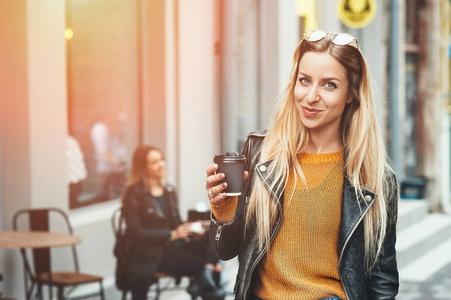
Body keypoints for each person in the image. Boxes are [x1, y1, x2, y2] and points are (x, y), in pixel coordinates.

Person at [205, 30, 399, 300]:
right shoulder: (261, 154)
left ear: (351, 94)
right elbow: (225, 251)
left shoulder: (375, 177)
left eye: (329, 85)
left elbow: (383, 281)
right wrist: (223, 208)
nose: (310, 96)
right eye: (304, 80)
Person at [122, 145, 226, 300]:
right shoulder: (134, 193)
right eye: (154, 162)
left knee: (213, 237)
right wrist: (171, 234)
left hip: (174, 245)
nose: (161, 164)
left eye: (162, 160)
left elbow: (175, 223)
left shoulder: (168, 190)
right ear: (143, 167)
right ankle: (205, 280)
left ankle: (203, 278)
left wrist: (190, 228)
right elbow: (135, 233)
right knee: (206, 264)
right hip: (151, 253)